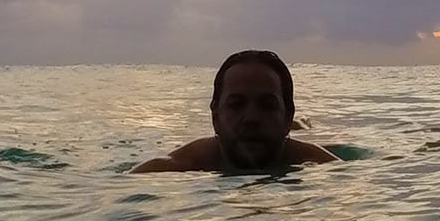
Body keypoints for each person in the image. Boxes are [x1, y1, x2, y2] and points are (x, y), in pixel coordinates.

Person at [134, 49, 341, 173]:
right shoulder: (165, 171)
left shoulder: (327, 169)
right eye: (236, 105)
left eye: (267, 105)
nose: (251, 119)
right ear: (215, 116)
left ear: (288, 117)